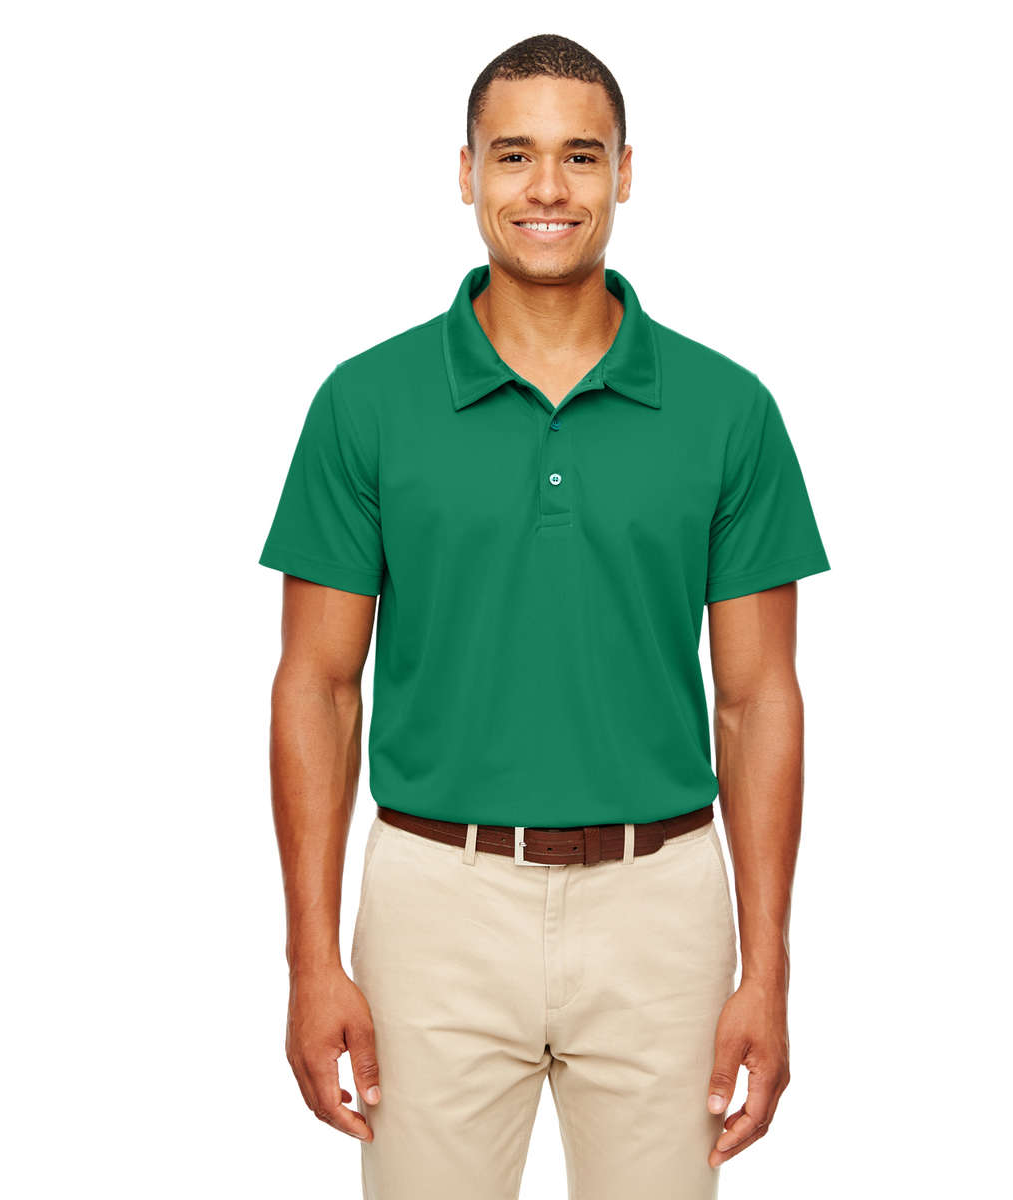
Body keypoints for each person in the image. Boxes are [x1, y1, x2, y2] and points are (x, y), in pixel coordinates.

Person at [259, 32, 830, 1200]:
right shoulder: (365, 403)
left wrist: (767, 971)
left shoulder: (729, 411)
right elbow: (317, 686)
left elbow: (757, 698)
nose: (548, 189)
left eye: (581, 155)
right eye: (515, 155)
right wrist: (311, 957)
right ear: (466, 172)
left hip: (662, 905)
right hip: (435, 901)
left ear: (626, 172)